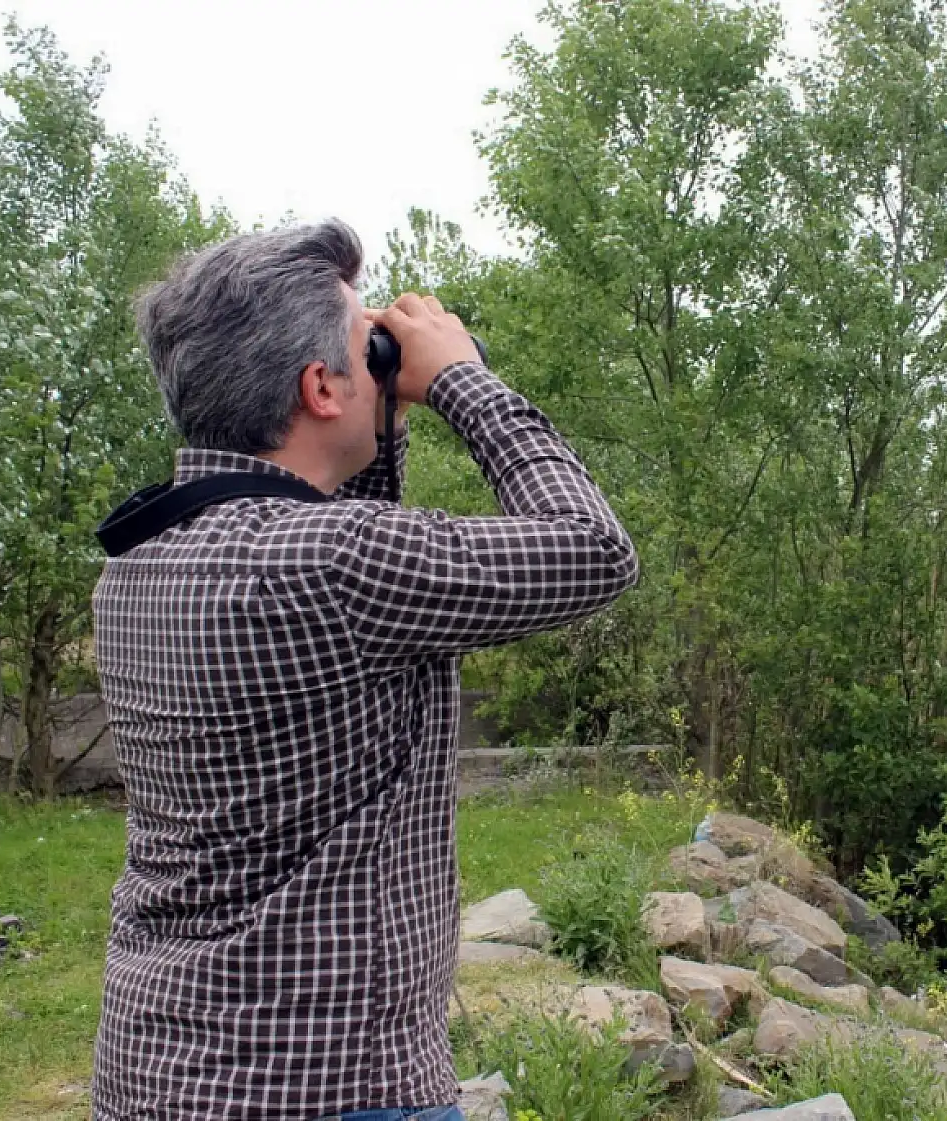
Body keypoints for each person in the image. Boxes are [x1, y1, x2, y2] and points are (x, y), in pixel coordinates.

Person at [89, 219, 638, 1120]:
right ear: (319, 387)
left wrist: (378, 404)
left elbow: (356, 594)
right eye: (365, 346)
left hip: (158, 1067)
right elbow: (593, 549)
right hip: (337, 1086)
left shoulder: (141, 560)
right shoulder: (335, 566)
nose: (386, 358)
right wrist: (463, 380)